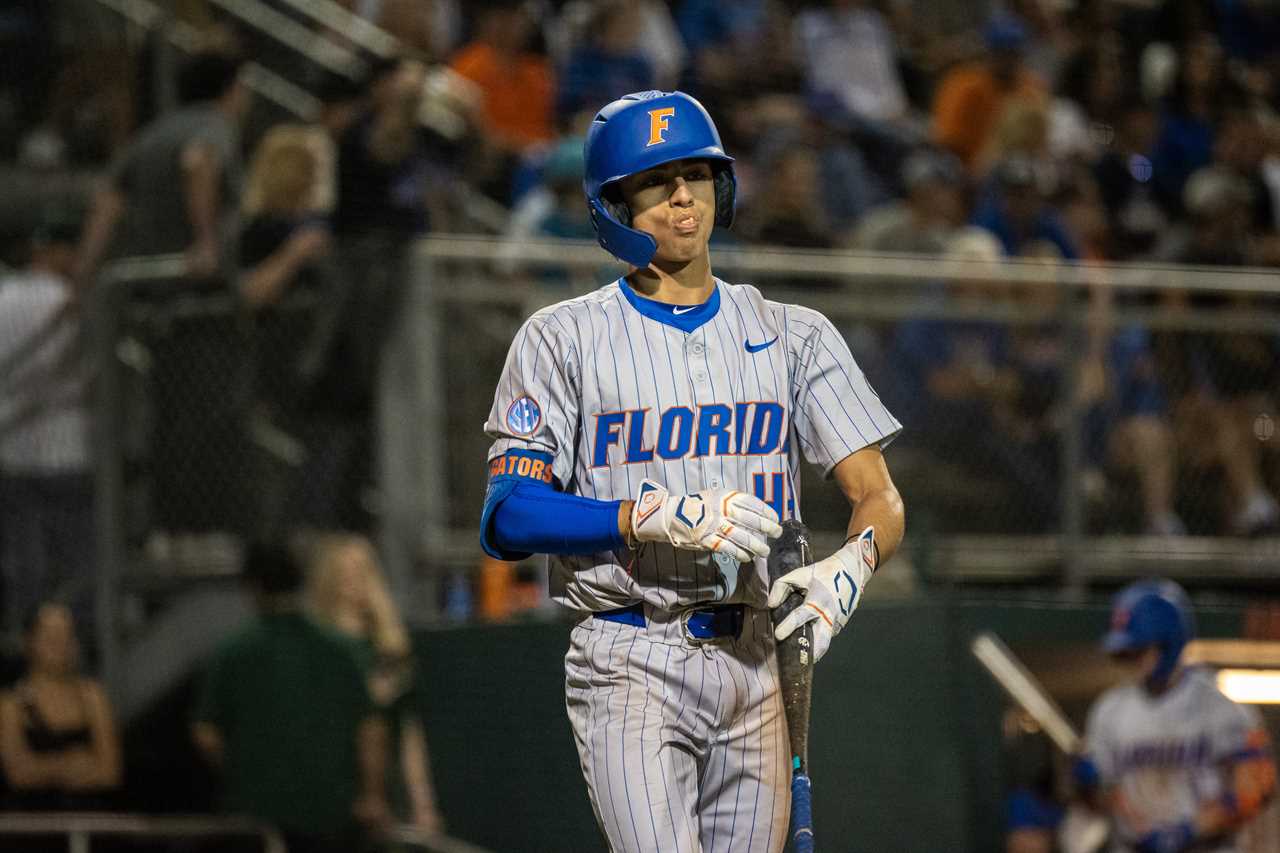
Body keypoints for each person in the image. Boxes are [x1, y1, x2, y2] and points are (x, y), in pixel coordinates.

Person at [479, 90, 905, 852]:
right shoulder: (561, 338)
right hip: (631, 652)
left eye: (696, 173)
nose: (682, 194)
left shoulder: (794, 333)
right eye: (656, 180)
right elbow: (507, 514)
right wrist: (640, 514)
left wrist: (853, 563)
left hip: (759, 655)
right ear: (614, 205)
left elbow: (879, 495)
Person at [192, 540, 391, 853]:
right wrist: (371, 796)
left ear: (252, 586)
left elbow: (206, 733)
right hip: (332, 816)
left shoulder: (234, 652)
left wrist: (247, 770)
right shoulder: (342, 650)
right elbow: (371, 728)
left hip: (255, 819)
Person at [1076, 579, 1277, 852]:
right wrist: (1090, 788)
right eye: (1124, 653)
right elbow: (1104, 793)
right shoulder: (1109, 710)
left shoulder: (1222, 708)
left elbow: (1258, 787)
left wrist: (1190, 829)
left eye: (1138, 651)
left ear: (1168, 643)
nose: (1129, 661)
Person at [73, 50, 250, 289]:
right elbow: (197, 161)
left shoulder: (153, 132)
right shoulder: (216, 124)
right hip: (198, 277)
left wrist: (85, 269)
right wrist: (206, 242)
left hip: (147, 276)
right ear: (229, 89)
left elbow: (108, 198)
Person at [307, 534, 444, 833]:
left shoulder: (388, 652)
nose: (352, 581)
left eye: (361, 571)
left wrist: (423, 804)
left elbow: (409, 733)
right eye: (343, 572)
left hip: (386, 794)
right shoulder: (317, 649)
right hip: (329, 790)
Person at [0, 210, 94, 647]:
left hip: (12, 445)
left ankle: (28, 640)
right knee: (75, 558)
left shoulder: (3, 296)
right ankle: (78, 642)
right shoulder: (73, 300)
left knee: (23, 559)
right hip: (66, 444)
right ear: (59, 253)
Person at [0, 603, 121, 812]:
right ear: (30, 641)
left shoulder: (92, 696)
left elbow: (109, 771)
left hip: (90, 821)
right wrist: (70, 763)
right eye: (50, 636)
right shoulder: (11, 703)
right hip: (34, 825)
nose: (60, 645)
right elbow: (19, 773)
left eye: (66, 636)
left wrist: (43, 768)